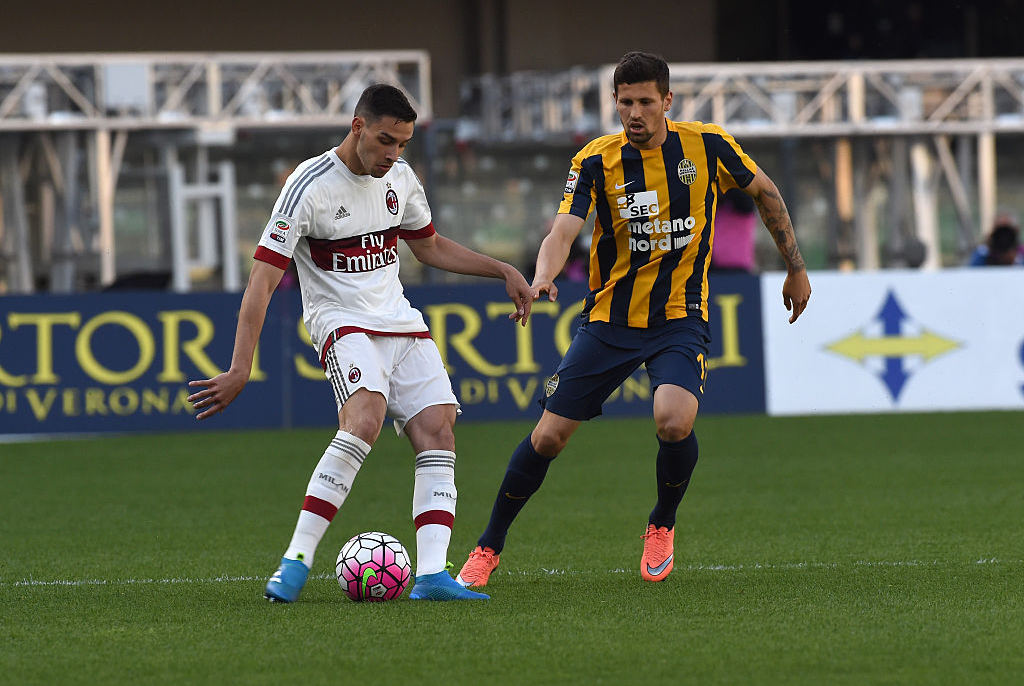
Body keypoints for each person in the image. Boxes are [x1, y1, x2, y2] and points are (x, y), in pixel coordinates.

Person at [456, 52, 811, 588]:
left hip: (679, 316)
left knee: (674, 420)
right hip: (610, 321)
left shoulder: (707, 145)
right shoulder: (595, 160)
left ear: (668, 101)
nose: (635, 112)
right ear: (615, 102)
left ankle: (661, 523)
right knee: (548, 438)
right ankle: (488, 546)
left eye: (646, 101)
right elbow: (563, 229)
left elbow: (766, 192)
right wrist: (544, 275)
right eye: (626, 102)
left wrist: (795, 268)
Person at [187, 84, 534, 603]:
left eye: (403, 143)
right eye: (385, 140)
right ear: (358, 127)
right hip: (341, 320)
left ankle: (432, 576)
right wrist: (241, 368)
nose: (393, 153)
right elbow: (262, 281)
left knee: (439, 428)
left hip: (399, 319)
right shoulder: (308, 186)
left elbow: (430, 246)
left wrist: (502, 269)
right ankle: (296, 560)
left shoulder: (401, 177)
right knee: (364, 420)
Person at [709, 186, 758, 274]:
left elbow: (745, 201)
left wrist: (724, 185)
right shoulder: (716, 207)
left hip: (738, 268)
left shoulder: (743, 205)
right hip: (714, 268)